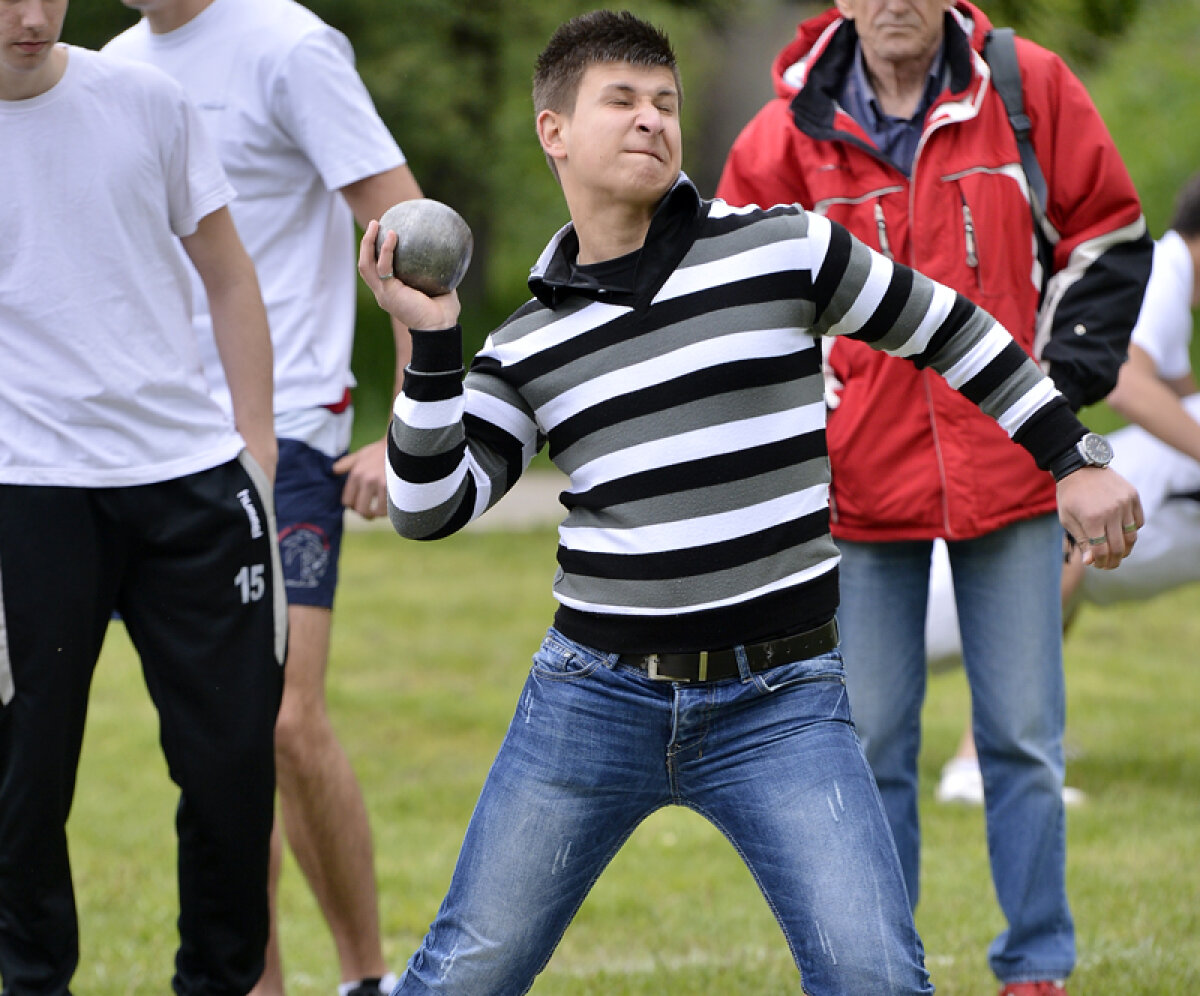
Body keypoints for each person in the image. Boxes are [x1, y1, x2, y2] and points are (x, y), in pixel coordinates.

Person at [356, 10, 1141, 994]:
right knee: (467, 972)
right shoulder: (529, 344)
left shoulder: (781, 249)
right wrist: (434, 344)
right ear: (554, 131)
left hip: (782, 704)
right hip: (594, 697)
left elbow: (951, 330)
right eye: (621, 100)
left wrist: (1073, 455)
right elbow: (434, 505)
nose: (651, 119)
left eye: (666, 102)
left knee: (879, 981)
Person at [716, 3, 1154, 993]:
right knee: (870, 744)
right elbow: (732, 287)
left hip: (1011, 472)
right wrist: (801, 399)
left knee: (1024, 740)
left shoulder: (1027, 87)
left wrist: (1059, 384)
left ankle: (1036, 966)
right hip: (860, 488)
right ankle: (883, 969)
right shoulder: (782, 132)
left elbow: (1111, 231)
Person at [104, 2, 423, 993]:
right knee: (215, 742)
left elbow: (404, 221)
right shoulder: (107, 68)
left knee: (283, 720)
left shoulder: (289, 44)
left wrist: (409, 424)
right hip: (149, 445)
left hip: (283, 434)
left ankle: (368, 977)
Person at [0, 1, 286, 993]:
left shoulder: (145, 99)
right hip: (25, 496)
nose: (33, 17)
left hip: (191, 487)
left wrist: (256, 446)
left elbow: (230, 274)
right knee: (21, 790)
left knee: (234, 775)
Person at [931, 169, 1200, 805]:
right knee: (1065, 563)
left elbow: (1174, 388)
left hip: (1032, 459)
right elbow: (1128, 381)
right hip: (1029, 463)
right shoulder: (1164, 271)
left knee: (1068, 580)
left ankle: (1027, 729)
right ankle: (979, 758)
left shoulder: (1170, 283)